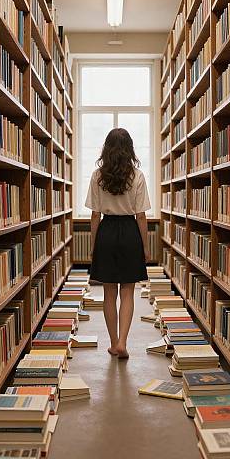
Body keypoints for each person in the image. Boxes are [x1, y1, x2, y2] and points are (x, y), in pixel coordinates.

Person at [85, 128, 151, 359]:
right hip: (130, 231)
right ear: (129, 149)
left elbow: (95, 215)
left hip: (107, 231)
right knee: (128, 292)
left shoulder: (97, 175)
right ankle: (123, 341)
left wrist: (94, 244)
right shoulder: (137, 176)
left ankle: (114, 342)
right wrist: (144, 245)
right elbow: (141, 216)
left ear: (107, 148)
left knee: (109, 293)